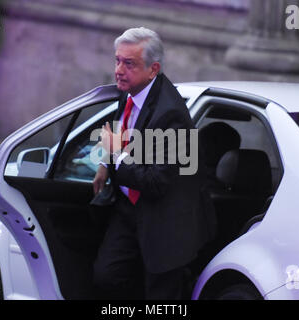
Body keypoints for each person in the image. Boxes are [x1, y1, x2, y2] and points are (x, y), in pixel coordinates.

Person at [92, 27, 216, 299]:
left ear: (153, 69)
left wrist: (116, 156)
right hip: (129, 207)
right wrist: (105, 163)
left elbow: (156, 182)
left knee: (160, 295)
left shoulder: (170, 114)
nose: (119, 70)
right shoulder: (130, 89)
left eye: (129, 63)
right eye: (117, 60)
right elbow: (122, 128)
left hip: (164, 218)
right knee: (107, 276)